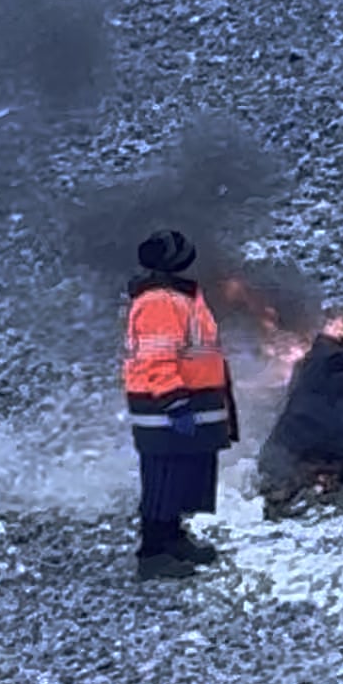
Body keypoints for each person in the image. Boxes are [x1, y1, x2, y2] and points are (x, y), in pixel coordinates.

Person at [123, 229, 239, 579]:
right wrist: (174, 401)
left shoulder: (180, 298)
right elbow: (156, 358)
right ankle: (153, 553)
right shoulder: (159, 302)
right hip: (167, 410)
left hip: (194, 404)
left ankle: (173, 538)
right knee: (163, 479)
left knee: (182, 478)